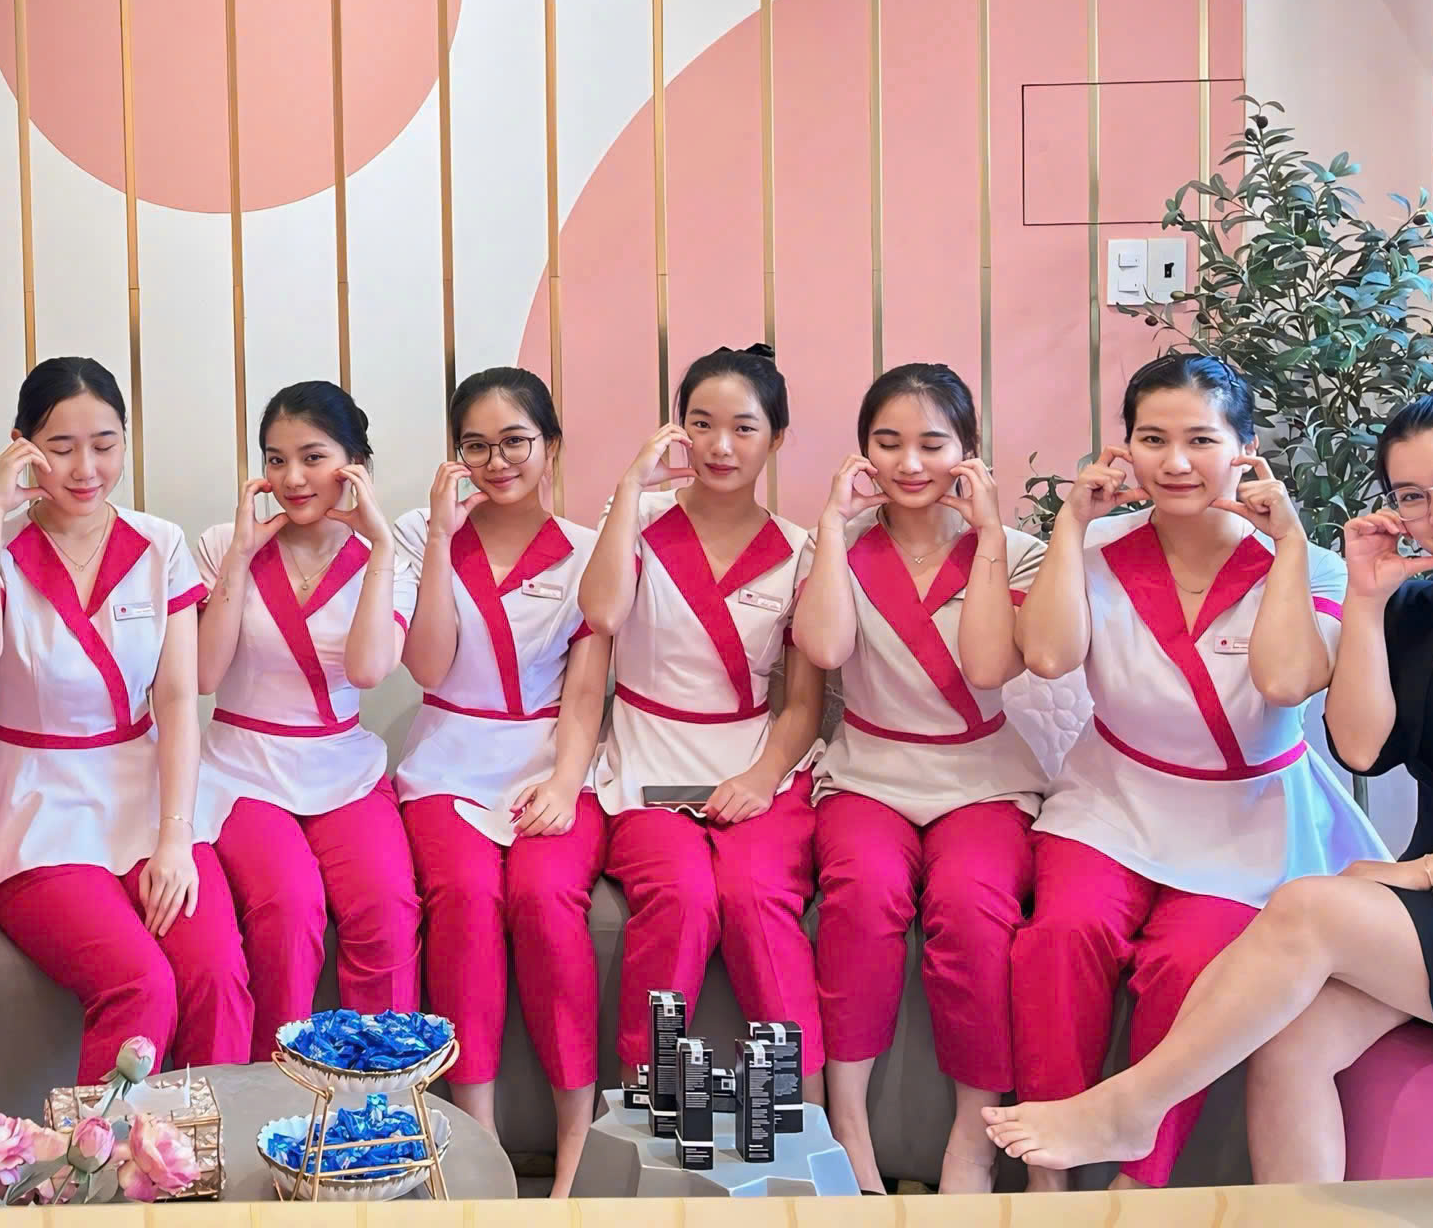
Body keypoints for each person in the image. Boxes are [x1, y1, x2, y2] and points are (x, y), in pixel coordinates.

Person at [986, 390, 1433, 1182]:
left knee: (1305, 907)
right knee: (1289, 1039)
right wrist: (1369, 601)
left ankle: (1131, 1108)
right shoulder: (1420, 607)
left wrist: (1411, 875)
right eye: (1412, 496)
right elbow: (1361, 749)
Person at [998, 352, 1385, 1189]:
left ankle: (1141, 1181)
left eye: (1201, 440)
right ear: (1123, 449)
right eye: (1153, 439)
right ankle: (1045, 1177)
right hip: (1111, 800)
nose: (1175, 462)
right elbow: (1049, 656)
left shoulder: (1309, 565)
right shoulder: (1096, 547)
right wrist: (1070, 523)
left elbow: (1285, 682)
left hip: (1250, 818)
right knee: (1061, 936)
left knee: (1191, 969)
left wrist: (1287, 543)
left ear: (1246, 449)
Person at [0, 357, 252, 1084]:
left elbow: (178, 698)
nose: (86, 469)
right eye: (61, 447)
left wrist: (175, 840)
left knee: (215, 972)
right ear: (22, 447)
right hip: (41, 808)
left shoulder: (159, 545)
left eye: (105, 445)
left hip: (146, 795)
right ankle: (106, 1157)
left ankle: (216, 1150)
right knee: (140, 986)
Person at [791, 362, 1050, 1193]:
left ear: (968, 451)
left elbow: (991, 667)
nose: (910, 464)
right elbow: (824, 649)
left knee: (973, 907)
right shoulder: (837, 550)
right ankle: (848, 1123)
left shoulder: (1018, 554)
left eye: (933, 444)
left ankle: (974, 1135)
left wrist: (991, 536)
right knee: (861, 896)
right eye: (888, 442)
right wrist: (830, 526)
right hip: (869, 772)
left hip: (983, 776)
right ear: (861, 452)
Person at [581, 346, 827, 1136]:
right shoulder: (638, 521)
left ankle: (806, 1119)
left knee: (756, 899)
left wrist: (761, 777)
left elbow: (803, 704)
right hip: (649, 760)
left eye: (744, 428)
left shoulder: (799, 550)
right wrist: (629, 489)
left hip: (753, 761)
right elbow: (602, 615)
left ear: (776, 439)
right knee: (682, 899)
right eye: (702, 424)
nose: (721, 447)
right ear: (676, 430)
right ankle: (641, 1112)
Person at [395, 366, 609, 1197]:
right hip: (447, 761)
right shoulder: (423, 535)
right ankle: (477, 1141)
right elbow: (427, 665)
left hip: (554, 761)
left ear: (550, 445)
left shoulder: (589, 552)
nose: (497, 461)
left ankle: (578, 1139)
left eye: (515, 441)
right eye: (476, 446)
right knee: (464, 899)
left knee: (546, 901)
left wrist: (562, 781)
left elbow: (586, 693)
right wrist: (442, 540)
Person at [193, 380, 419, 1046]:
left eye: (313, 457)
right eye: (275, 459)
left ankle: (379, 1084)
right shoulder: (222, 544)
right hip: (241, 768)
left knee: (387, 907)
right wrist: (239, 557)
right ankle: (276, 1085)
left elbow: (369, 670)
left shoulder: (391, 560)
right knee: (289, 907)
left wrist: (380, 552)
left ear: (355, 466)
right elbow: (203, 676)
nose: (292, 479)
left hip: (342, 765)